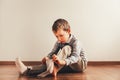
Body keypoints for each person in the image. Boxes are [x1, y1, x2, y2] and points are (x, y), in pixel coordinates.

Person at [15, 18, 87, 78]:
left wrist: (62, 62)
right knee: (50, 64)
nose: (59, 39)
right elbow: (53, 52)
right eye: (56, 36)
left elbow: (75, 57)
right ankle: (26, 70)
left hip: (80, 65)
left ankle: (54, 67)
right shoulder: (59, 41)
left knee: (67, 48)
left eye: (61, 35)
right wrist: (47, 58)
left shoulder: (76, 42)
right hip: (68, 66)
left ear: (68, 31)